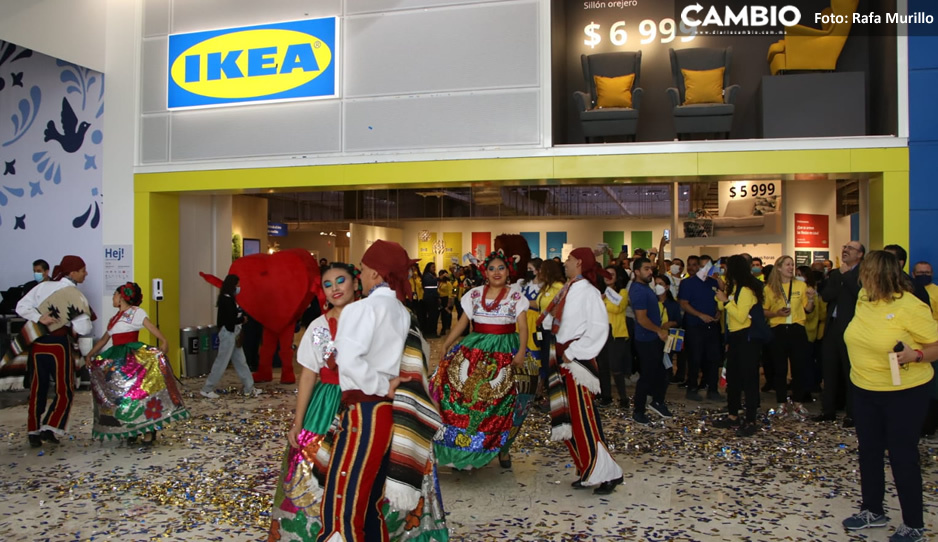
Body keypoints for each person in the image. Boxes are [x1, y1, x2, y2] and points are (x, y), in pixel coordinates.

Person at [318, 240, 443, 541]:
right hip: (390, 414)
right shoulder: (403, 312)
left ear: (375, 273)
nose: (358, 275)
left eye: (361, 269)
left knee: (344, 501)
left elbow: (349, 360)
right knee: (371, 498)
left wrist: (380, 386)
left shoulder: (361, 309)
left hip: (365, 413)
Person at [840, 251, 938, 542]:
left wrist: (916, 355)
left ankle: (914, 524)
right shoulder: (863, 299)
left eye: (864, 273)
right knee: (868, 451)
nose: (860, 278)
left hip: (904, 394)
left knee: (901, 456)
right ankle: (872, 510)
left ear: (876, 275)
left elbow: (935, 345)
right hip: (865, 389)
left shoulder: (911, 306)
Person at [433, 251, 531, 470]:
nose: (497, 272)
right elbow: (462, 322)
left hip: (505, 350)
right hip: (475, 349)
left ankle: (503, 448)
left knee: (506, 403)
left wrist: (522, 351)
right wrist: (447, 343)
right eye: (492, 268)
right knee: (468, 399)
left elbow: (523, 327)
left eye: (501, 268)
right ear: (485, 273)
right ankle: (467, 448)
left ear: (508, 272)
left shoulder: (516, 297)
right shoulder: (474, 294)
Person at [538, 247, 623, 495]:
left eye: (569, 259)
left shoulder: (588, 292)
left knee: (584, 419)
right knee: (571, 418)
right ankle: (588, 469)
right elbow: (561, 318)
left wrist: (573, 352)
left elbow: (598, 328)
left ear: (579, 263)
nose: (565, 262)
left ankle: (608, 473)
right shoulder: (570, 288)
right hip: (563, 358)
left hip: (576, 361)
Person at [86, 282, 188, 445]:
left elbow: (150, 326)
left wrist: (163, 340)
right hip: (116, 358)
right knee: (123, 395)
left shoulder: (136, 312)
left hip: (132, 357)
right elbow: (106, 338)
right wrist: (91, 354)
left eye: (115, 294)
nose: (113, 297)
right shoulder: (114, 319)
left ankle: (149, 430)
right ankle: (131, 428)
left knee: (138, 393)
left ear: (121, 297)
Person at [14, 255, 93, 447]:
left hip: (38, 344)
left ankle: (33, 430)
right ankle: (50, 426)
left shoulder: (43, 287)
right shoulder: (75, 295)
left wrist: (39, 318)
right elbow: (83, 329)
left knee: (37, 388)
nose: (86, 274)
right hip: (58, 345)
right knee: (64, 389)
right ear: (72, 272)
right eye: (83, 270)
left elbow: (20, 307)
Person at [712, 255, 766, 437]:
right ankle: (733, 415)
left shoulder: (747, 290)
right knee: (733, 379)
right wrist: (722, 297)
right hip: (735, 337)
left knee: (749, 380)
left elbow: (740, 315)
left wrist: (726, 301)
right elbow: (723, 307)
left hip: (747, 339)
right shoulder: (735, 288)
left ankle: (751, 420)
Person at [815, 241, 865, 426]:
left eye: (850, 248)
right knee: (828, 370)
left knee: (849, 372)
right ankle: (828, 410)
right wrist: (841, 278)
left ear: (860, 254)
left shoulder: (863, 274)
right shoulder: (836, 273)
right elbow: (827, 295)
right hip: (832, 327)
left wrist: (847, 277)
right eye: (844, 247)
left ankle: (852, 413)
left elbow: (860, 294)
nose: (844, 250)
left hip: (852, 329)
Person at [762, 256, 815, 420]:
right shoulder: (770, 288)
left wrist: (812, 298)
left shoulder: (801, 285)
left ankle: (798, 402)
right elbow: (764, 310)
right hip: (778, 329)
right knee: (780, 369)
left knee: (799, 367)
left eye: (792, 265)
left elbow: (808, 309)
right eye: (787, 265)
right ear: (778, 268)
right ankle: (781, 403)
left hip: (797, 329)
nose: (791, 267)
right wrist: (776, 313)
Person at [201, 274, 263, 399]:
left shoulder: (230, 298)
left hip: (234, 334)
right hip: (228, 334)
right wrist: (241, 319)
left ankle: (249, 387)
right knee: (222, 362)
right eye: (238, 284)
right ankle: (207, 388)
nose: (239, 287)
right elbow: (229, 320)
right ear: (233, 285)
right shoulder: (226, 299)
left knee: (241, 361)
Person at [630, 257, 673, 425]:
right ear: (637, 272)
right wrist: (658, 330)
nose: (650, 272)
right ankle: (639, 410)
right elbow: (641, 319)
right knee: (648, 374)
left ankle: (657, 401)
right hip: (646, 338)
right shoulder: (639, 291)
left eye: (651, 269)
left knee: (661, 372)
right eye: (646, 269)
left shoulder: (645, 287)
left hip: (652, 337)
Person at [677, 255, 723, 401]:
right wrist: (700, 315)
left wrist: (718, 312)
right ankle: (692, 388)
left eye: (699, 265)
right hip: (695, 325)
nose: (694, 268)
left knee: (713, 359)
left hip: (712, 325)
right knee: (695, 358)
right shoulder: (687, 283)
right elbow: (684, 303)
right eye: (690, 265)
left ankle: (713, 389)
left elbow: (721, 300)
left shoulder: (714, 282)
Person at [598, 264, 630, 408]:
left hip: (617, 334)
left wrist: (602, 302)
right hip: (601, 333)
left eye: (611, 274)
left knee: (616, 367)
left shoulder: (622, 292)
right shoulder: (600, 292)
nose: (608, 277)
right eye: (606, 274)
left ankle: (623, 398)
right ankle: (606, 396)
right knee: (603, 367)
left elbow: (617, 308)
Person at [534, 259, 566, 401]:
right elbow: (538, 304)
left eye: (542, 269)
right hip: (543, 329)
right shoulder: (545, 287)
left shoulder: (559, 287)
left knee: (552, 363)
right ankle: (546, 393)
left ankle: (555, 395)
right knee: (546, 361)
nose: (539, 272)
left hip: (554, 331)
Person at [798, 266, 827, 400]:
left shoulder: (810, 292)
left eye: (800, 275)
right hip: (806, 330)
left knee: (807, 363)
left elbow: (817, 313)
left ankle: (807, 390)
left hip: (808, 330)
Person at [422, 263, 440, 338]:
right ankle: (430, 332)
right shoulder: (427, 276)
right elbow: (430, 283)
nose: (434, 268)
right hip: (430, 298)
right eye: (432, 267)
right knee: (432, 315)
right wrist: (439, 278)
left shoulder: (432, 275)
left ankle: (433, 331)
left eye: (435, 267)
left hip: (434, 297)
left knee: (435, 315)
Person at [438, 270, 454, 335]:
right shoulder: (441, 283)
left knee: (445, 315)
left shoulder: (448, 283)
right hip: (440, 299)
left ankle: (444, 328)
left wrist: (449, 303)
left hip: (446, 299)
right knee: (442, 314)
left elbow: (450, 293)